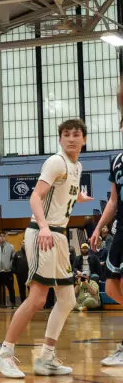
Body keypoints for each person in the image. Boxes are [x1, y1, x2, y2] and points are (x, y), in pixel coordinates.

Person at [0, 119, 91, 379]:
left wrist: (77, 196)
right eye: (66, 134)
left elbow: (64, 190)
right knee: (37, 298)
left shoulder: (76, 166)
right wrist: (44, 227)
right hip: (43, 234)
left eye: (76, 134)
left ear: (84, 140)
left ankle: (46, 358)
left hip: (58, 236)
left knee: (68, 299)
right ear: (60, 139)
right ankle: (3, 353)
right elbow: (35, 196)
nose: (71, 138)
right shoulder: (56, 161)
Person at [89, 121, 123, 367]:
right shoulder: (117, 160)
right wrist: (99, 226)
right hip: (121, 229)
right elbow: (113, 200)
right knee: (111, 289)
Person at [0, 234, 16, 308]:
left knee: (10, 287)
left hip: (7, 271)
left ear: (6, 237)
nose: (2, 238)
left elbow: (13, 258)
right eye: (0, 236)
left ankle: (13, 302)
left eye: (3, 236)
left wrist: (10, 265)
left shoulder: (11, 246)